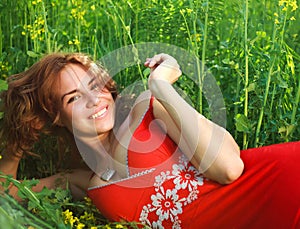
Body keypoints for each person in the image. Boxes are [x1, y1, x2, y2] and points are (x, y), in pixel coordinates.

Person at [0, 52, 299, 228]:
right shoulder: (84, 181)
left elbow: (229, 167)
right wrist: (16, 146)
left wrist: (161, 87)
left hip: (284, 186)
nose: (95, 99)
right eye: (74, 98)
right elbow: (6, 199)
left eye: (95, 85)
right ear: (55, 117)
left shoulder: (147, 111)